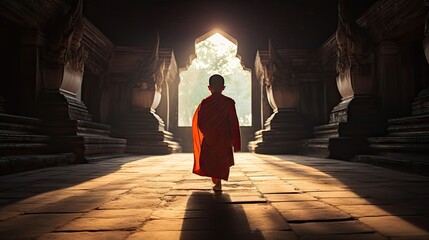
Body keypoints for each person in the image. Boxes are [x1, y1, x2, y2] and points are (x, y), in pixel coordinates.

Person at [192, 74, 241, 191]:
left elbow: (200, 122)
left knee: (211, 160)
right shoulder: (229, 103)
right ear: (223, 88)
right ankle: (218, 182)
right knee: (221, 161)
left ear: (209, 88)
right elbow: (234, 123)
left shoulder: (205, 103)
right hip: (224, 139)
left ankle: (217, 182)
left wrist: (208, 133)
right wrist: (236, 142)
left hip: (209, 137)